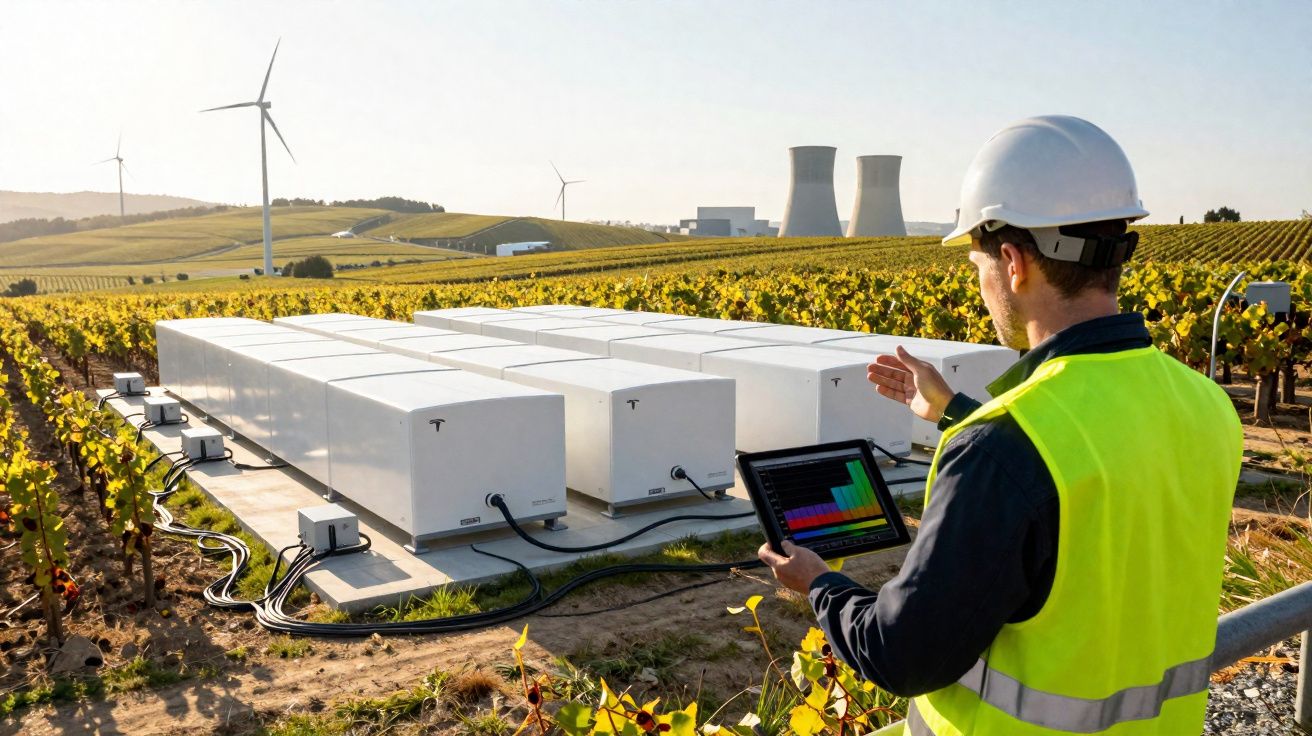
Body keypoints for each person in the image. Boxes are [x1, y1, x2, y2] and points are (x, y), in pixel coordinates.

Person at [757, 115, 1243, 735]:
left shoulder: (1001, 449)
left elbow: (904, 655)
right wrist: (953, 413)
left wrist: (819, 585)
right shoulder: (1205, 404)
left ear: (1012, 261)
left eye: (977, 262)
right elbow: (1086, 496)